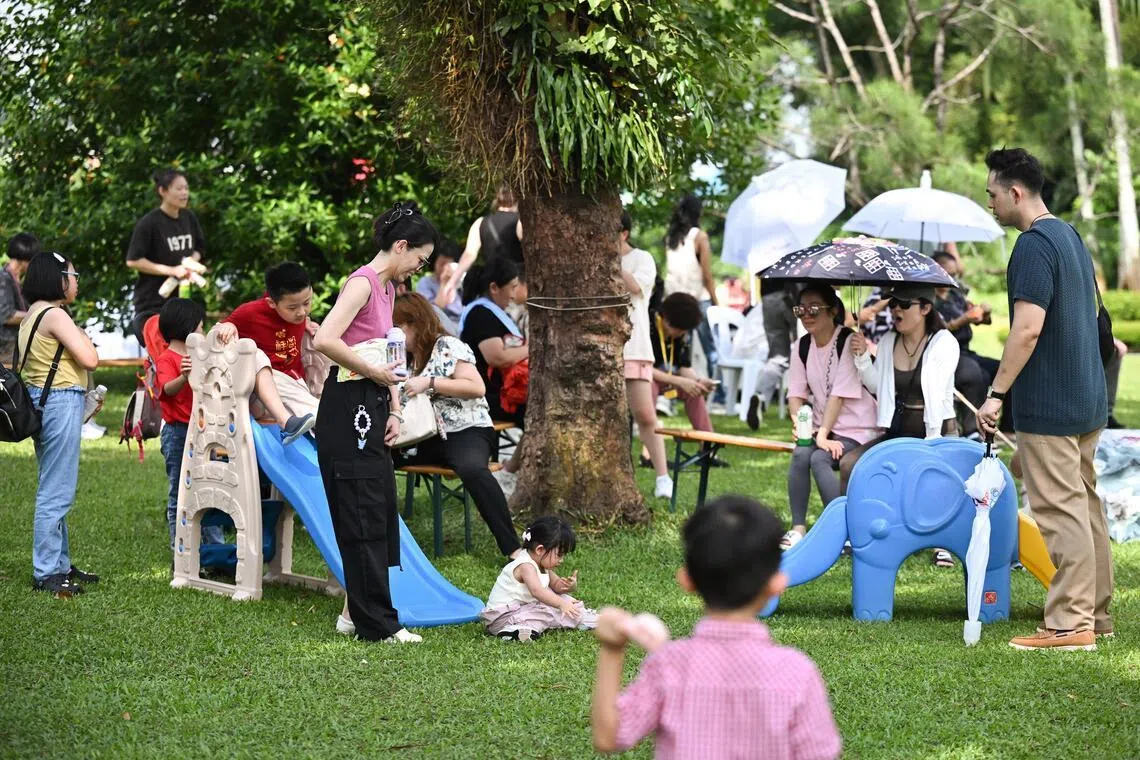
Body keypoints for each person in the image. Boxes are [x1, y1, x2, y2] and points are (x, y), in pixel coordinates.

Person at [976, 148, 1111, 652]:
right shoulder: (1070, 236)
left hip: (1052, 403)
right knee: (1085, 503)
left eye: (992, 194)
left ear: (1015, 193)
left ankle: (1070, 624)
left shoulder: (1032, 246)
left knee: (1060, 510)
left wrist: (995, 395)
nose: (989, 203)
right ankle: (1095, 613)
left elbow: (1027, 329)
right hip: (1088, 397)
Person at [590, 495, 841, 759]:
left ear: (687, 581)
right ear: (777, 583)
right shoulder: (797, 673)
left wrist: (612, 649)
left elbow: (608, 736)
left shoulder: (668, 665)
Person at [313, 202, 435, 644]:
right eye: (418, 259)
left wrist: (397, 407)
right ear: (400, 246)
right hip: (348, 407)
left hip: (375, 404)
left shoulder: (387, 291)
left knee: (378, 510)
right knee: (361, 513)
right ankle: (378, 625)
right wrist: (375, 377)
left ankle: (355, 612)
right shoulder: (363, 284)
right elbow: (325, 338)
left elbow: (389, 357)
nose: (418, 268)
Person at [392, 292, 522, 559]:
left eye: (397, 327)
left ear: (414, 323)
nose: (392, 333)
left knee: (472, 469)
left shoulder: (447, 346)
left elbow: (476, 388)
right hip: (425, 435)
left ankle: (514, 550)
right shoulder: (403, 358)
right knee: (372, 454)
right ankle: (381, 537)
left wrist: (430, 383)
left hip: (467, 429)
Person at [847, 284, 960, 567]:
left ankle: (942, 544)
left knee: (930, 478)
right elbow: (878, 386)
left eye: (904, 304)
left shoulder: (944, 342)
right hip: (897, 430)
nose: (896, 309)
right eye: (893, 303)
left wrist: (930, 445)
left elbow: (936, 391)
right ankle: (855, 533)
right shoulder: (887, 340)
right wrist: (862, 357)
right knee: (851, 464)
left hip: (935, 431)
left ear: (925, 309)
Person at [18, 252, 101, 597]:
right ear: (58, 280)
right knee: (56, 490)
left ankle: (61, 564)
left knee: (54, 484)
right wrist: (81, 333)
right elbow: (91, 357)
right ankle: (48, 571)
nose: (76, 280)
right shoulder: (54, 314)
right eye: (72, 274)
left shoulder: (33, 314)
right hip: (59, 402)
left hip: (46, 401)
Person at [784, 285, 878, 549]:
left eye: (813, 308)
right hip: (823, 428)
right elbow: (795, 393)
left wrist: (822, 436)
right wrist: (799, 427)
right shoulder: (801, 346)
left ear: (833, 311)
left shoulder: (848, 341)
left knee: (819, 457)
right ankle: (798, 528)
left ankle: (840, 531)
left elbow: (839, 395)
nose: (806, 315)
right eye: (800, 309)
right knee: (802, 453)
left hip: (857, 428)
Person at [215, 261, 322, 421]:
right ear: (271, 303)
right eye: (292, 308)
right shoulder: (250, 313)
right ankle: (315, 417)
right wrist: (228, 325)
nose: (302, 312)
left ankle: (324, 407)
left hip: (295, 383)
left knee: (322, 338)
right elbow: (216, 333)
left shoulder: (300, 317)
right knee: (257, 357)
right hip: (264, 391)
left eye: (306, 303)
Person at [458, 256, 528, 491]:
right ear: (494, 287)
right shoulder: (481, 315)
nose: (514, 293)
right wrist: (533, 347)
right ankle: (509, 472)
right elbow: (496, 357)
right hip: (489, 395)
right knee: (541, 412)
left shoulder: (497, 313)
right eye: (512, 287)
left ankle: (513, 470)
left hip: (504, 391)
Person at [620, 211, 673, 500]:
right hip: (599, 348)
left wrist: (608, 260)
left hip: (634, 346)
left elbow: (636, 287)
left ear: (623, 233)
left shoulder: (642, 259)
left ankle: (663, 475)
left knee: (644, 414)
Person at [480, 515, 597, 641]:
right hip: (502, 618)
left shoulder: (542, 565)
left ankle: (581, 615)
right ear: (540, 549)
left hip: (523, 607)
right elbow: (538, 591)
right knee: (546, 610)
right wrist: (561, 604)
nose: (561, 560)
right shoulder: (526, 566)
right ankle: (514, 631)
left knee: (564, 600)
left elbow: (556, 585)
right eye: (559, 555)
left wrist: (569, 586)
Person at [126, 169, 207, 345]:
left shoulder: (189, 218)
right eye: (179, 188)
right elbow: (133, 260)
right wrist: (172, 270)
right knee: (163, 356)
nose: (184, 193)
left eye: (186, 188)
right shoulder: (149, 223)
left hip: (183, 304)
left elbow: (200, 248)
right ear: (163, 191)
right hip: (153, 304)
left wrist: (190, 263)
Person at [648, 293, 720, 469]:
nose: (683, 334)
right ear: (665, 320)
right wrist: (679, 381)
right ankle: (649, 453)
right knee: (649, 386)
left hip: (667, 378)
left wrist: (697, 381)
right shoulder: (648, 327)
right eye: (680, 330)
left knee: (694, 391)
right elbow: (643, 368)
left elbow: (683, 366)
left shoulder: (680, 334)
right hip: (644, 379)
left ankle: (706, 449)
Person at [663, 195, 719, 391]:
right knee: (711, 348)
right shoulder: (699, 237)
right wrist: (715, 300)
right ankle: (717, 392)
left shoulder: (671, 238)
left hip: (675, 300)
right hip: (697, 300)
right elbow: (707, 275)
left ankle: (672, 388)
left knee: (676, 350)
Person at [444, 185, 524, 304]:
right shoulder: (520, 222)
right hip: (515, 286)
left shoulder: (480, 223)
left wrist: (452, 282)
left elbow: (469, 255)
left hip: (492, 288)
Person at [1, 232, 38, 367]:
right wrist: (38, 314)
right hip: (6, 349)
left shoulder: (16, 280)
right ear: (26, 255)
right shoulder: (3, 278)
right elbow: (6, 315)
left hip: (16, 347)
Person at [414, 238, 464, 330]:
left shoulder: (461, 282)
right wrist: (444, 283)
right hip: (440, 327)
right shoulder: (425, 283)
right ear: (434, 263)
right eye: (441, 264)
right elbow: (432, 313)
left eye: (448, 265)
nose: (445, 269)